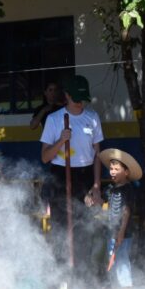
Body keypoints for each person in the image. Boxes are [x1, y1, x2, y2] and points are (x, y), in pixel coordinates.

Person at [40, 75, 104, 271]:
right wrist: (61, 140)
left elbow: (98, 155)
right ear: (67, 95)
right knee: (61, 228)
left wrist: (96, 186)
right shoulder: (54, 119)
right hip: (61, 176)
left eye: (83, 98)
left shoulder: (92, 118)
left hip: (85, 177)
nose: (80, 102)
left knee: (84, 228)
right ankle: (62, 275)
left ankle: (81, 276)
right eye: (76, 98)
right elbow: (45, 157)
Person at [99, 148, 142, 289]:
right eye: (111, 169)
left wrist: (121, 232)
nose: (112, 172)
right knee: (113, 260)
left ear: (126, 172)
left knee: (122, 260)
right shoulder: (110, 189)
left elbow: (126, 211)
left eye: (116, 169)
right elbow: (101, 202)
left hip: (124, 233)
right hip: (111, 233)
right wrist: (91, 197)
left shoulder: (128, 189)